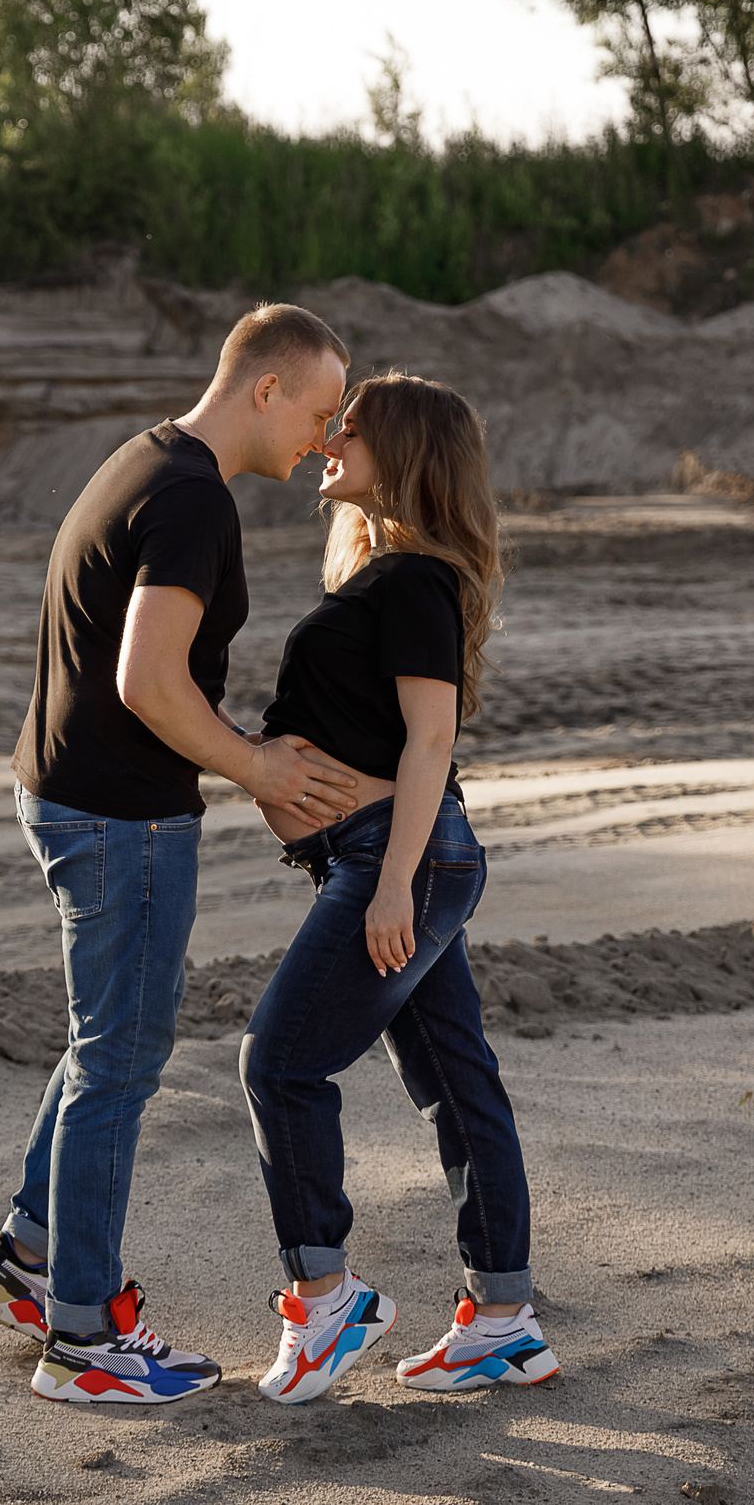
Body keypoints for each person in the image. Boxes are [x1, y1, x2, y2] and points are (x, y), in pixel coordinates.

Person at [0, 304, 361, 1405]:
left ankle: (27, 1260)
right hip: (118, 815)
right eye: (320, 410)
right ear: (266, 387)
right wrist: (258, 768)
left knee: (107, 1040)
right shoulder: (192, 499)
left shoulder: (145, 459)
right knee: (120, 1060)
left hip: (68, 793)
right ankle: (84, 1339)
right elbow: (147, 680)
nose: (325, 438)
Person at [237, 372, 557, 1404]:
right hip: (384, 857)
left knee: (279, 1062)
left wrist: (393, 886)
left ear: (405, 453)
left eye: (352, 428)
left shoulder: (415, 580)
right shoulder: (386, 575)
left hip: (397, 860)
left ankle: (325, 1296)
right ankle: (503, 1321)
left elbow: (430, 742)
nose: (329, 439)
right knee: (457, 1080)